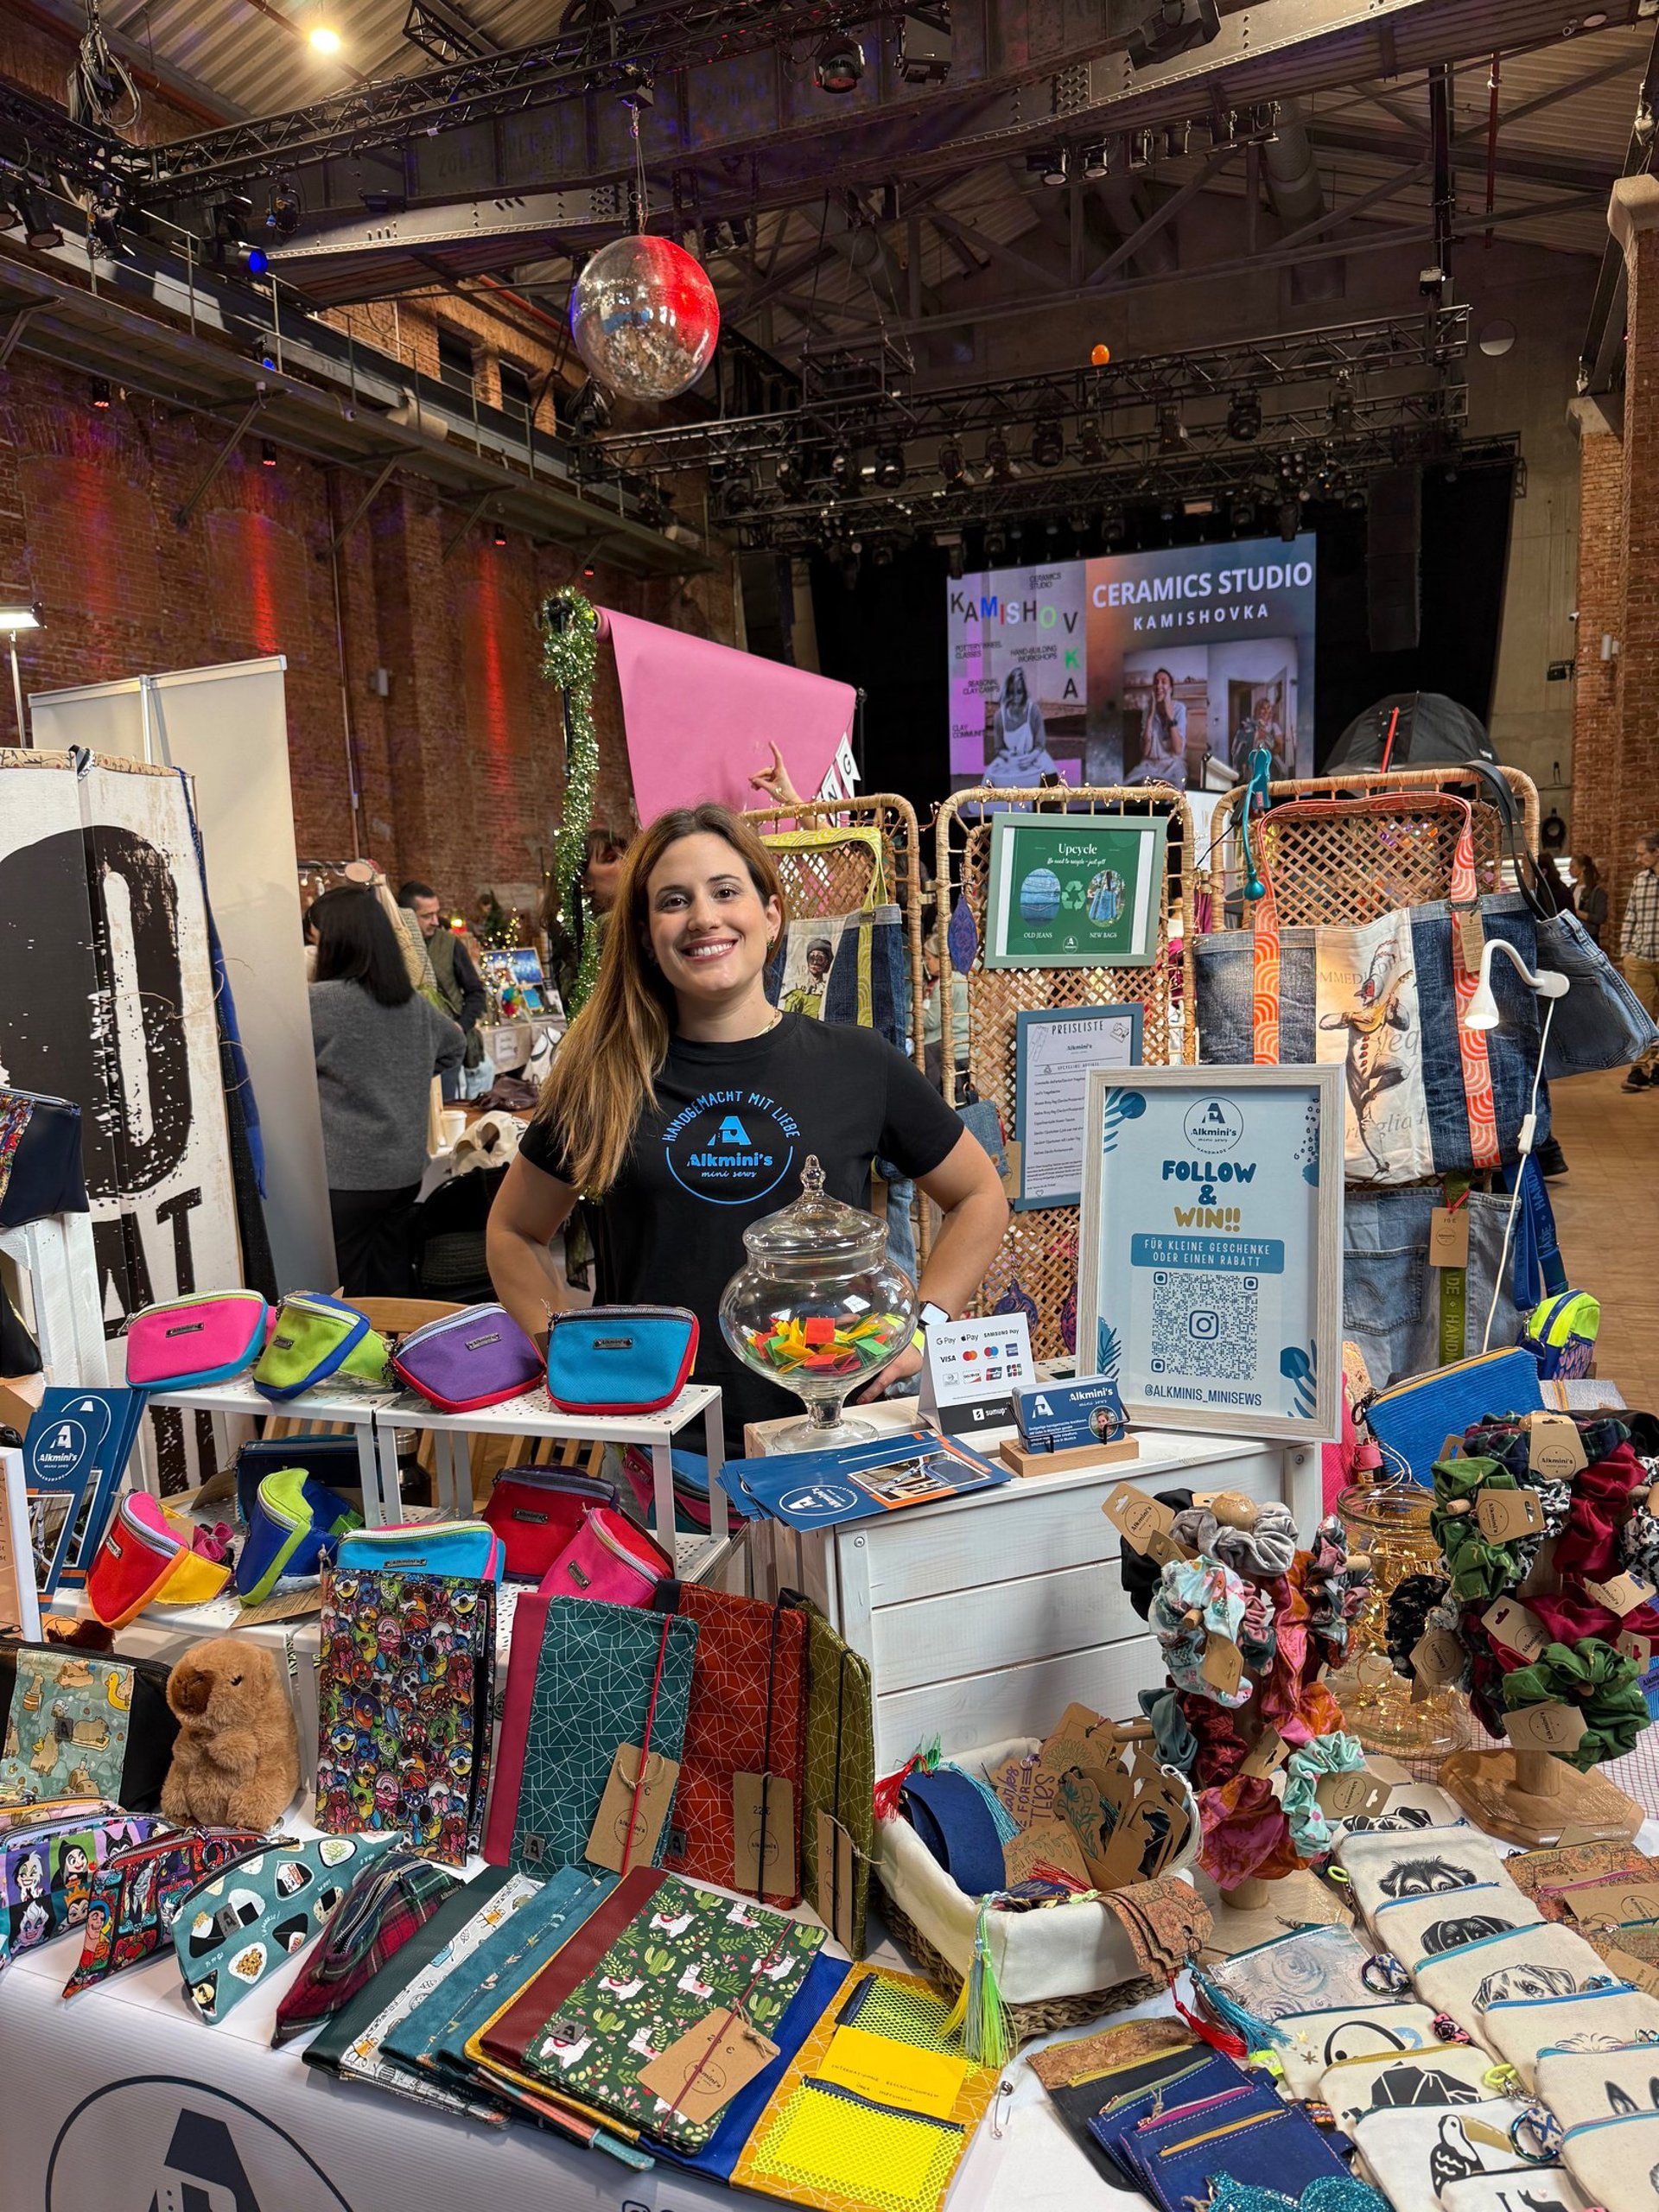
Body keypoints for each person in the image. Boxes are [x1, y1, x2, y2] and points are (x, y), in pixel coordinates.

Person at [486, 804, 1009, 1452]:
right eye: (674, 901)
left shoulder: (857, 1063)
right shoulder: (606, 1077)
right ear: (648, 936)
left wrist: (923, 1330)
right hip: (658, 1451)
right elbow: (513, 1231)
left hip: (825, 1438)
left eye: (725, 891)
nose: (703, 917)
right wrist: (561, 1346)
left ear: (771, 915)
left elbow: (980, 1196)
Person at [308, 886, 464, 1296]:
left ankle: (355, 1360)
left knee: (343, 1295)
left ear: (336, 942)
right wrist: (407, 1070)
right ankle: (393, 1356)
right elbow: (456, 1046)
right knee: (391, 1281)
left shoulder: (316, 1003)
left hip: (347, 1177)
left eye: (315, 939)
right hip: (403, 1171)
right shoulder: (410, 1003)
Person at [399, 880, 486, 1103]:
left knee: (444, 1106)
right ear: (407, 916)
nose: (436, 922)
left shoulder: (450, 944)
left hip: (445, 1045)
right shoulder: (395, 947)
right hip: (408, 1047)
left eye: (436, 913)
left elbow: (476, 992)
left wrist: (460, 1026)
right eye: (427, 916)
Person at [1621, 830, 1659, 1092]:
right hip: (1641, 957)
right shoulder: (1640, 881)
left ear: (1657, 852)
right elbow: (1630, 917)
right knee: (1642, 1016)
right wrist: (1626, 951)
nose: (1638, 858)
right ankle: (1640, 1068)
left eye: (1641, 853)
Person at [983, 668, 1059, 789]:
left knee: (1051, 775)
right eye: (1011, 692)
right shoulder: (999, 716)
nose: (1015, 697)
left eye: (1018, 692)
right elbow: (999, 748)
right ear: (1007, 692)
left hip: (1034, 755)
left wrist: (1030, 757)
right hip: (1010, 758)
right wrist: (1009, 756)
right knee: (988, 779)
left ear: (1024, 692)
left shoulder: (1033, 711)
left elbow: (1040, 745)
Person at [780, 937, 833, 1018]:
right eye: (812, 958)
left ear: (826, 962)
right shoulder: (797, 995)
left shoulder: (828, 993)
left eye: (820, 959)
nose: (815, 962)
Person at [1574, 854, 1609, 947]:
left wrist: (1577, 913)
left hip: (1588, 937)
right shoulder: (1572, 888)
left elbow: (1600, 918)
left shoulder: (1597, 891)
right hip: (1573, 936)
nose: (1570, 870)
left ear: (1583, 868)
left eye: (1573, 866)